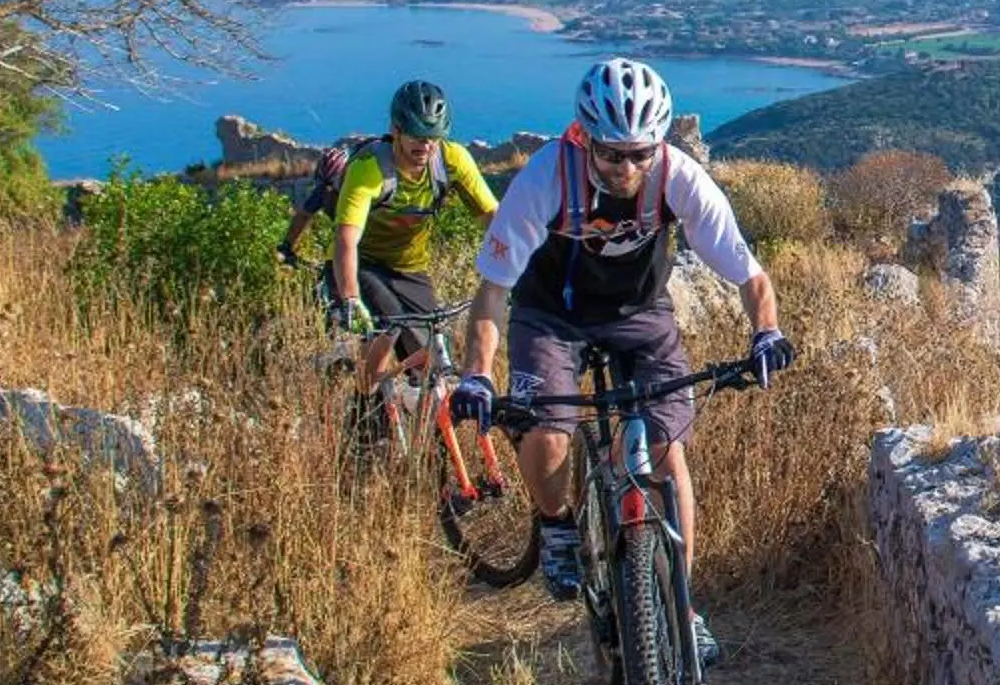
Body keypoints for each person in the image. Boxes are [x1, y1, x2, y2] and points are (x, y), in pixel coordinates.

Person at [450, 58, 791, 648]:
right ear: (584, 138)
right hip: (551, 314)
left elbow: (749, 275)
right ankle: (557, 527)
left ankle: (681, 611)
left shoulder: (679, 177)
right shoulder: (545, 178)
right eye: (612, 154)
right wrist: (477, 375)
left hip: (640, 314)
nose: (628, 167)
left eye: (641, 153)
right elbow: (492, 293)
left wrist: (766, 332)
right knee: (547, 430)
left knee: (666, 451)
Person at [312, 80, 501, 409]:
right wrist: (352, 298)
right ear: (396, 130)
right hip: (361, 264)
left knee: (431, 359)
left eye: (433, 138)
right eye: (416, 135)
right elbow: (346, 239)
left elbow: (494, 219)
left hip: (409, 269)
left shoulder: (451, 160)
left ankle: (431, 447)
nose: (425, 146)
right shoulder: (369, 169)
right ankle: (363, 414)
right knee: (390, 326)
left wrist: (526, 266)